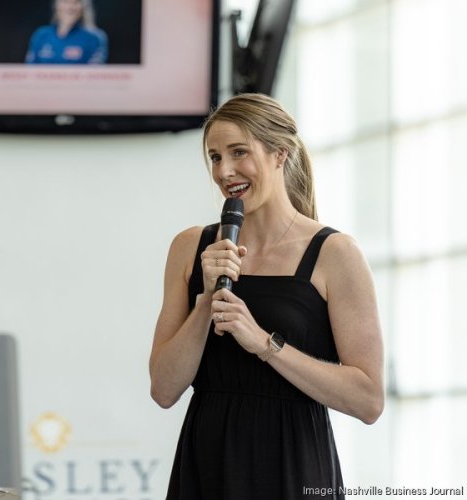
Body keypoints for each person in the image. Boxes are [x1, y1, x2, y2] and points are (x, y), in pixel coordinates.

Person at [149, 93, 384, 499]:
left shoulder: (335, 253)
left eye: (239, 152)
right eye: (216, 157)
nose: (225, 171)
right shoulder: (191, 247)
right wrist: (205, 300)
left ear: (280, 153)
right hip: (207, 465)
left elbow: (368, 400)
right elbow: (164, 389)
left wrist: (264, 343)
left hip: (294, 465)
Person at [25, 0, 108, 64]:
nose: (70, 8)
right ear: (56, 5)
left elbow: (95, 76)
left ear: (83, 7)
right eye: (65, 1)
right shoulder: (41, 35)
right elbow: (29, 72)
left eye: (75, 2)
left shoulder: (94, 38)